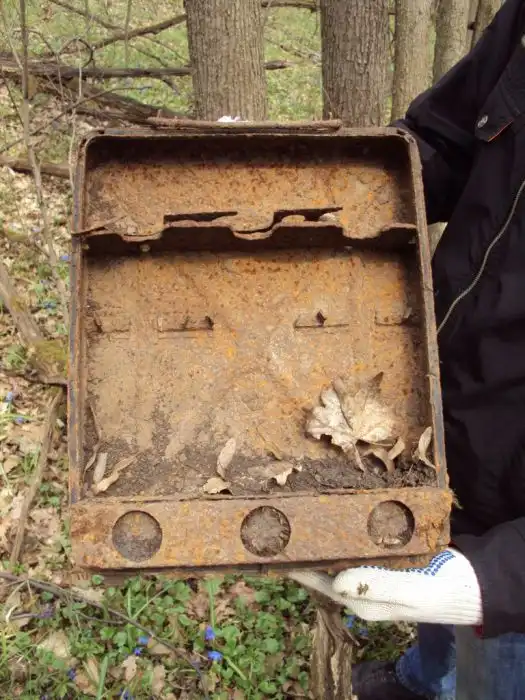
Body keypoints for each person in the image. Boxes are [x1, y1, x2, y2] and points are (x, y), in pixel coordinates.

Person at [325, 1, 525, 698]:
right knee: (433, 585)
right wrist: (320, 180)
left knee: (493, 656)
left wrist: (495, 581)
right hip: (447, 405)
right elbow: (445, 137)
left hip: (516, 523)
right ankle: (421, 679)